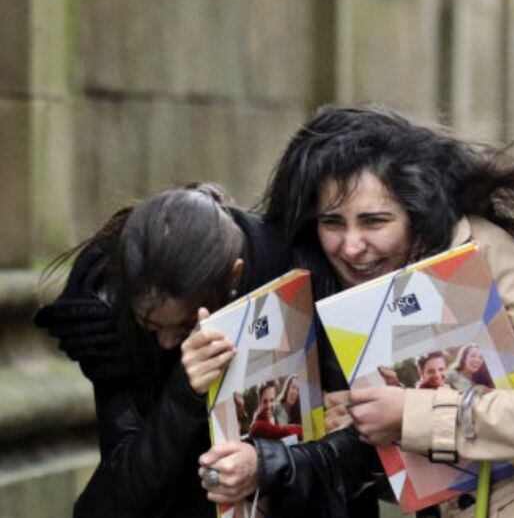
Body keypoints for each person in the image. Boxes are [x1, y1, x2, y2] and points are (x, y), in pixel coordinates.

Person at [251, 104, 514, 517]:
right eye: (333, 223)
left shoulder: (486, 251)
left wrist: (407, 415)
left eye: (375, 222)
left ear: (415, 212)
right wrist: (359, 430)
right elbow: (430, 481)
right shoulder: (352, 296)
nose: (352, 246)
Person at [33, 184, 363, 517]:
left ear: (234, 275)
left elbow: (357, 460)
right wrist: (183, 394)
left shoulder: (291, 271)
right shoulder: (107, 319)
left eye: (184, 324)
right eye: (151, 326)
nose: (166, 341)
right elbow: (114, 499)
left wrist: (276, 459)